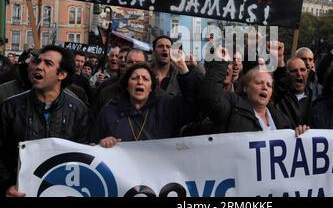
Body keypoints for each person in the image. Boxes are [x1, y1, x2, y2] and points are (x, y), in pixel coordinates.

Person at [0, 45, 90, 197]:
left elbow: (85, 153)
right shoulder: (10, 107)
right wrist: (7, 185)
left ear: (62, 74)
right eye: (37, 61)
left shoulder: (77, 110)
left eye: (48, 64)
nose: (38, 66)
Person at [91, 53, 200, 147]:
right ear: (127, 85)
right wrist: (101, 144)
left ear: (151, 87)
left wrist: (183, 68)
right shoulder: (109, 111)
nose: (140, 82)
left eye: (145, 79)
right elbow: (92, 144)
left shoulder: (166, 106)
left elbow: (191, 103)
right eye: (134, 78)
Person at [199, 48, 308, 135]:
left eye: (269, 85)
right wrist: (220, 62)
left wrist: (299, 132)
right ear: (246, 87)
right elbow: (210, 98)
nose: (265, 87)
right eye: (259, 83)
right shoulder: (233, 107)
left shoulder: (281, 118)